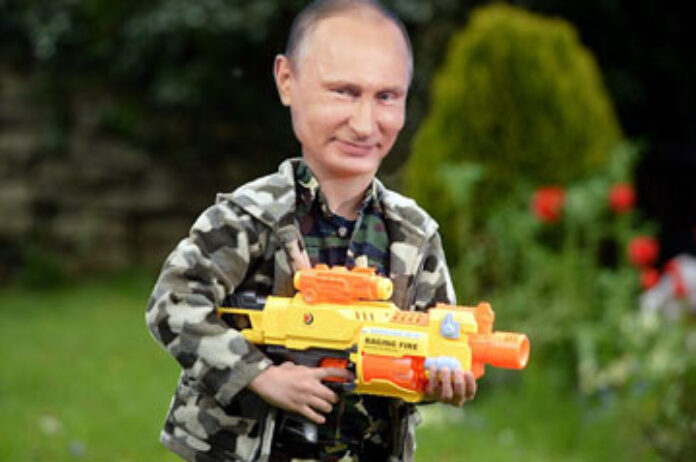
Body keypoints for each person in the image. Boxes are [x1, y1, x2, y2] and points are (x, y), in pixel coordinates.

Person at [146, 1, 476, 461]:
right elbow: (173, 302)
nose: (364, 123)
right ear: (287, 81)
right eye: (343, 92)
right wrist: (261, 376)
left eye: (386, 96)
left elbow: (430, 344)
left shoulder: (413, 235)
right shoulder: (251, 217)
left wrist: (438, 380)